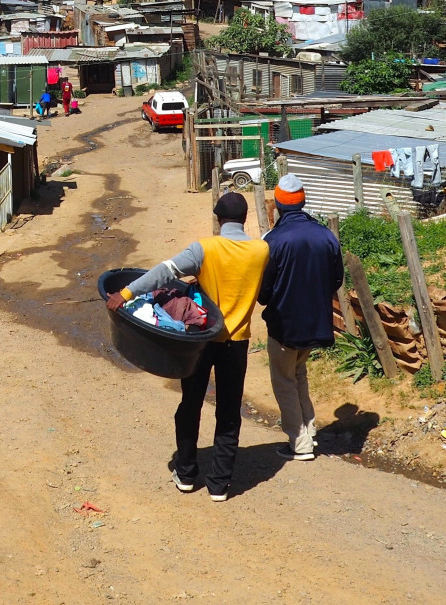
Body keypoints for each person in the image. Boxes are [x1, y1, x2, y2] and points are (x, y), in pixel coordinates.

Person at [105, 191, 268, 501]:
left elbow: (163, 272)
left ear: (219, 220)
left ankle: (187, 473)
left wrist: (125, 294)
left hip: (200, 338)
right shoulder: (261, 250)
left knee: (190, 404)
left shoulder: (205, 248)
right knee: (229, 412)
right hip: (236, 342)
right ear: (245, 219)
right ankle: (219, 484)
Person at [257, 173, 342, 461]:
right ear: (303, 202)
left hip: (284, 325)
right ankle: (309, 429)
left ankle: (299, 443)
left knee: (284, 380)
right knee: (298, 374)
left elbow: (264, 290)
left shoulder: (272, 240)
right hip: (316, 324)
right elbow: (336, 280)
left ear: (278, 205)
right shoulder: (326, 236)